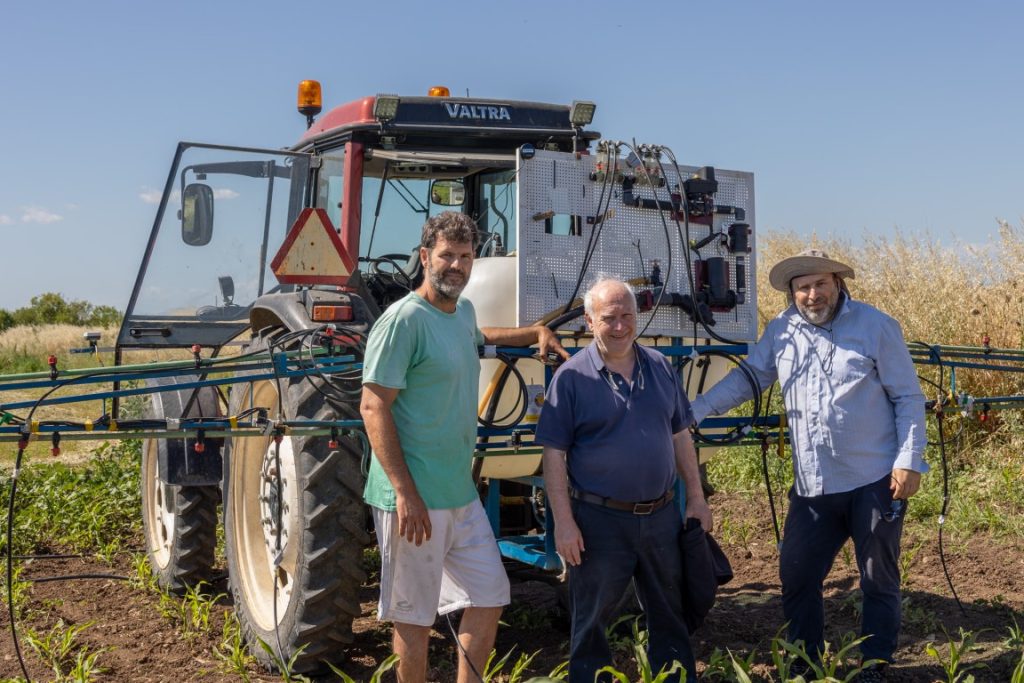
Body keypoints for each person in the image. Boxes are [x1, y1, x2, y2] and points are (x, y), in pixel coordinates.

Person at [690, 249, 927, 682]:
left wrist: (909, 460)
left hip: (873, 478)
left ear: (838, 283)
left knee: (877, 578)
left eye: (819, 284)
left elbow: (908, 397)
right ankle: (804, 659)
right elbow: (750, 378)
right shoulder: (782, 331)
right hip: (814, 485)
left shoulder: (875, 326)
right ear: (791, 293)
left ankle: (874, 664)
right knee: (797, 576)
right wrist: (698, 409)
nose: (811, 294)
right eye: (802, 287)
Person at [360, 211, 568, 683]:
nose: (456, 265)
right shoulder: (403, 321)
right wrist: (405, 492)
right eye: (446, 255)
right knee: (413, 618)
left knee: (490, 594)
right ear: (424, 257)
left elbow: (480, 336)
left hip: (457, 492)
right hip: (412, 498)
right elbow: (373, 407)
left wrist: (535, 332)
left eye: (465, 256)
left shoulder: (462, 312)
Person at [535, 278, 713, 683]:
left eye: (627, 316)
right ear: (589, 320)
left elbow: (681, 435)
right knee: (591, 620)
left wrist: (697, 499)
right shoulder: (572, 377)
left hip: (661, 516)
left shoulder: (661, 366)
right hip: (600, 521)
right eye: (609, 318)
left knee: (670, 614)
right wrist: (564, 523)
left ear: (639, 317)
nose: (619, 327)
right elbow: (554, 456)